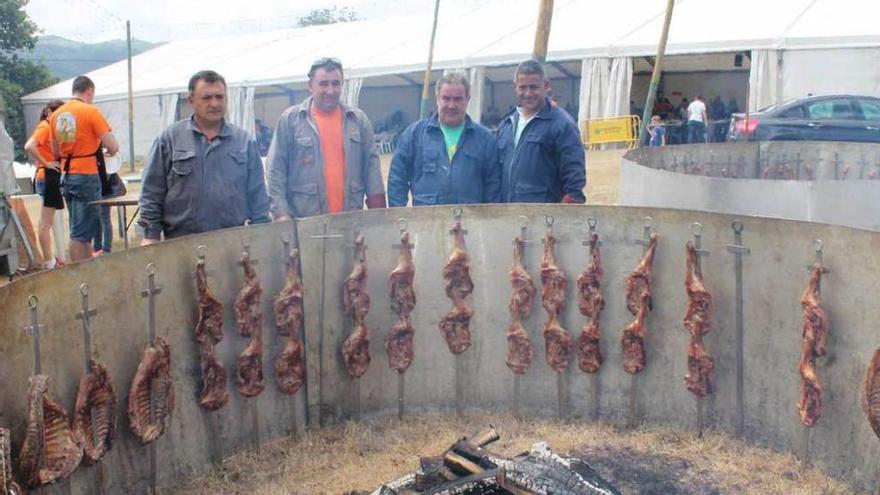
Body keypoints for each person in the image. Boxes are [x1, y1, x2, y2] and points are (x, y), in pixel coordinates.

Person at [138, 70, 270, 243]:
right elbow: (151, 192)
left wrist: (261, 234)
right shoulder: (170, 139)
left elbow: (258, 194)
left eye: (219, 97)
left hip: (233, 242)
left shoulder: (243, 141)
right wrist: (151, 236)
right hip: (180, 243)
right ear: (191, 101)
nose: (214, 103)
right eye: (206, 98)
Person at [267, 57, 385, 220]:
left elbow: (372, 170)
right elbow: (275, 171)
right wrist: (281, 214)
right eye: (323, 84)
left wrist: (378, 215)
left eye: (336, 83)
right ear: (310, 86)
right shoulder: (291, 121)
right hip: (305, 224)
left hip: (349, 221)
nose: (330, 90)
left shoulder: (358, 121)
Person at [387, 71, 500, 207]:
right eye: (446, 98)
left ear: (468, 100)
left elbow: (493, 187)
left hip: (469, 222)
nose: (451, 105)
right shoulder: (414, 135)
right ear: (437, 99)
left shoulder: (485, 140)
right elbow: (397, 179)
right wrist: (401, 217)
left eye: (458, 99)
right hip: (426, 222)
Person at [48, 76, 119, 262]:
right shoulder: (90, 111)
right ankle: (81, 274)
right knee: (81, 233)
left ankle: (87, 271)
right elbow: (112, 145)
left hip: (66, 174)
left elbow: (55, 151)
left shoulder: (56, 115)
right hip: (86, 174)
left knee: (78, 227)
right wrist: (103, 149)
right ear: (89, 92)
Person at [496, 59, 585, 204]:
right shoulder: (506, 125)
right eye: (523, 87)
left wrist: (560, 217)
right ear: (514, 87)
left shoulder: (562, 125)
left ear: (546, 86)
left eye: (534, 87)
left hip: (544, 219)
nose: (528, 93)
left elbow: (574, 182)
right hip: (509, 216)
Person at [24, 99, 65, 269]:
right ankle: (49, 262)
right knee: (45, 223)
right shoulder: (45, 126)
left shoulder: (52, 128)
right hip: (47, 176)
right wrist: (46, 162)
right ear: (49, 113)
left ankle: (56, 259)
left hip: (51, 176)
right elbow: (29, 146)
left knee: (52, 221)